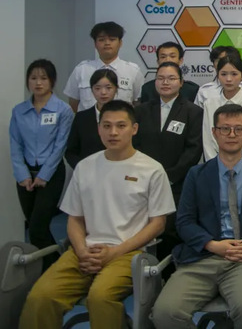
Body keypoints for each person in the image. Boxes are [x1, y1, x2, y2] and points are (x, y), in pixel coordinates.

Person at [20, 100, 175, 328]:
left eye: (121, 126)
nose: (113, 132)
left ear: (134, 129)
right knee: (40, 297)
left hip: (128, 252)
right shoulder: (85, 166)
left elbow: (158, 223)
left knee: (100, 298)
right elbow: (75, 218)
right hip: (85, 250)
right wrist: (82, 250)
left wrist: (114, 253)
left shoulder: (152, 169)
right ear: (99, 129)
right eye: (107, 126)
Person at [151, 104, 242, 329]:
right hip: (202, 258)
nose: (232, 135)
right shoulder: (197, 174)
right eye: (225, 129)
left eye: (238, 129)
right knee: (165, 313)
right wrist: (212, 245)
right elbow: (184, 221)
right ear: (214, 132)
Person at [133, 62, 203, 264]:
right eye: (161, 78)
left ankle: (169, 271)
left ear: (181, 82)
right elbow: (134, 144)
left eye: (171, 78)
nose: (165, 82)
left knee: (171, 230)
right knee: (141, 227)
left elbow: (193, 149)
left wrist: (170, 176)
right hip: (143, 182)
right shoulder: (141, 111)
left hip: (176, 183)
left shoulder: (193, 111)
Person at [9, 60, 74, 268]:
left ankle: (56, 268)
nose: (38, 83)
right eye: (33, 78)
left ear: (52, 81)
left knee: (38, 226)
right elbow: (15, 145)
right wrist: (22, 175)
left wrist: (44, 175)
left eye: (43, 78)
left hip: (51, 174)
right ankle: (51, 267)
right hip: (25, 176)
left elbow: (60, 146)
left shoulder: (63, 110)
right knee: (35, 228)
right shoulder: (19, 111)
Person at [64, 21, 144, 111]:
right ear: (95, 44)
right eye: (101, 40)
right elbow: (73, 103)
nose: (107, 43)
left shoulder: (133, 71)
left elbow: (138, 103)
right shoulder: (81, 70)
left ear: (120, 43)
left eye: (112, 39)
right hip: (89, 119)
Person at [202, 55, 242, 161]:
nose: (228, 79)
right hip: (215, 163)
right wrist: (214, 165)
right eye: (223, 74)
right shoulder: (210, 103)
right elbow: (208, 140)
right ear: (217, 75)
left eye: (234, 74)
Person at [64, 68, 118, 168]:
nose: (103, 92)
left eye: (108, 88)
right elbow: (71, 152)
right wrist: (83, 168)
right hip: (87, 172)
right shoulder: (81, 118)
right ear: (92, 90)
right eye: (97, 88)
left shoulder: (125, 117)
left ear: (116, 89)